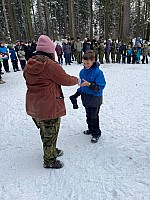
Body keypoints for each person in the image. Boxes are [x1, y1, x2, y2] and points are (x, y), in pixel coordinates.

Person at [23, 35, 78, 169]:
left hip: (34, 106)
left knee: (45, 131)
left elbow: (26, 77)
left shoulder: (30, 63)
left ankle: (51, 150)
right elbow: (65, 80)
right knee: (50, 133)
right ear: (49, 51)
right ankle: (49, 160)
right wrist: (77, 80)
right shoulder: (50, 66)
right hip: (48, 107)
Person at [69, 50, 106, 143]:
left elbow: (100, 87)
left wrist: (89, 84)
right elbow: (82, 86)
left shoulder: (98, 73)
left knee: (94, 117)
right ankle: (90, 129)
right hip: (86, 98)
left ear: (93, 61)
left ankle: (96, 133)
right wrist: (76, 94)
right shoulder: (82, 72)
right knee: (88, 115)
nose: (86, 65)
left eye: (88, 63)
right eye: (84, 63)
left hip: (95, 99)